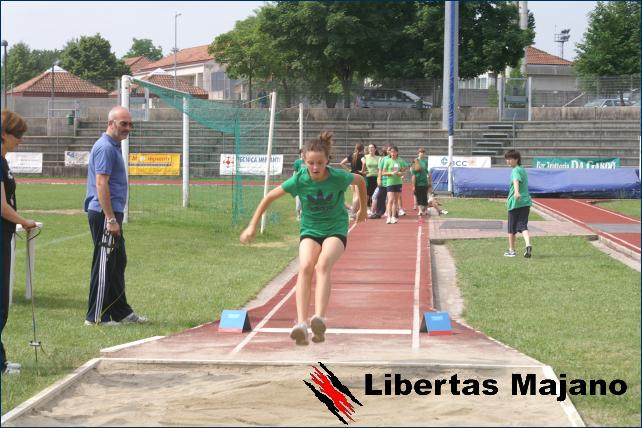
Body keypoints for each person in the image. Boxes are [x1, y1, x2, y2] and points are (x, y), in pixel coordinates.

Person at [240, 131, 367, 346]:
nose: (315, 167)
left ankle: (319, 318)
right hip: (310, 230)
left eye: (320, 163)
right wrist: (252, 225)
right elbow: (269, 197)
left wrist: (363, 208)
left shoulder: (338, 177)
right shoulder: (300, 179)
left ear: (327, 160)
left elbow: (361, 181)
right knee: (306, 266)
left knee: (323, 264)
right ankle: (301, 324)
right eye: (311, 163)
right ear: (304, 161)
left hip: (335, 229)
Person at [83, 106, 147, 326]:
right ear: (111, 123)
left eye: (130, 124)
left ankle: (120, 311)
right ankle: (95, 317)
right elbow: (101, 183)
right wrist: (110, 219)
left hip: (111, 213)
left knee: (118, 262)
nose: (128, 128)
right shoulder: (105, 148)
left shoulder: (113, 146)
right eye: (123, 124)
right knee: (104, 264)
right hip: (104, 214)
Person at [1, 110, 38, 375]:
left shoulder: (3, 162)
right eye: (17, 135)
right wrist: (23, 221)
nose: (20, 140)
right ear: (3, 134)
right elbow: (1, 206)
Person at [504, 150, 532, 258]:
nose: (508, 161)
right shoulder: (522, 169)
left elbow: (516, 181)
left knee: (511, 228)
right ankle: (528, 244)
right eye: (507, 159)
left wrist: (516, 192)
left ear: (516, 159)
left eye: (510, 159)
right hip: (525, 202)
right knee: (523, 225)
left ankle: (511, 250)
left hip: (515, 202)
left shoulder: (515, 170)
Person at [380, 145, 407, 224]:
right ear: (389, 153)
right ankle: (388, 217)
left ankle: (393, 217)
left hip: (398, 182)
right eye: (391, 152)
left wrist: (400, 173)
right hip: (390, 182)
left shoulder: (400, 161)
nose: (393, 153)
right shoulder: (387, 161)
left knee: (395, 201)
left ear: (397, 152)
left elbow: (403, 170)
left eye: (394, 152)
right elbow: (383, 173)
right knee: (390, 200)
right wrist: (391, 173)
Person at [339, 143, 365, 219]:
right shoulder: (361, 156)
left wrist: (349, 170)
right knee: (357, 195)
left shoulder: (351, 155)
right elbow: (364, 163)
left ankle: (354, 211)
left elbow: (341, 163)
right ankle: (353, 212)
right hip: (358, 176)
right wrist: (362, 171)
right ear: (362, 149)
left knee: (354, 194)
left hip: (351, 176)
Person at [360, 143, 381, 211]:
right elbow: (362, 166)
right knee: (367, 194)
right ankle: (366, 208)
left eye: (372, 147)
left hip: (376, 177)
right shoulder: (365, 157)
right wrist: (363, 172)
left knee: (375, 194)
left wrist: (380, 177)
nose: (371, 149)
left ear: (375, 149)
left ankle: (374, 208)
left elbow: (380, 169)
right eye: (369, 147)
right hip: (368, 177)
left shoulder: (379, 158)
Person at [412, 148, 429, 216]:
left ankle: (426, 210)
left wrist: (429, 181)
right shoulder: (415, 161)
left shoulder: (425, 161)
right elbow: (413, 174)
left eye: (423, 152)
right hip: (418, 182)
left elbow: (427, 171)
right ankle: (420, 210)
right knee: (418, 197)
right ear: (418, 153)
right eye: (420, 152)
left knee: (425, 197)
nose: (422, 153)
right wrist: (413, 185)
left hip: (424, 181)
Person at [293, 148, 305, 221]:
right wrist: (294, 181)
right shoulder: (297, 162)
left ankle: (303, 214)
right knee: (298, 201)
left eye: (305, 153)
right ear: (300, 154)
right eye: (302, 153)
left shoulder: (308, 161)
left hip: (307, 184)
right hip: (299, 184)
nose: (303, 154)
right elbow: (295, 172)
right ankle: (298, 215)